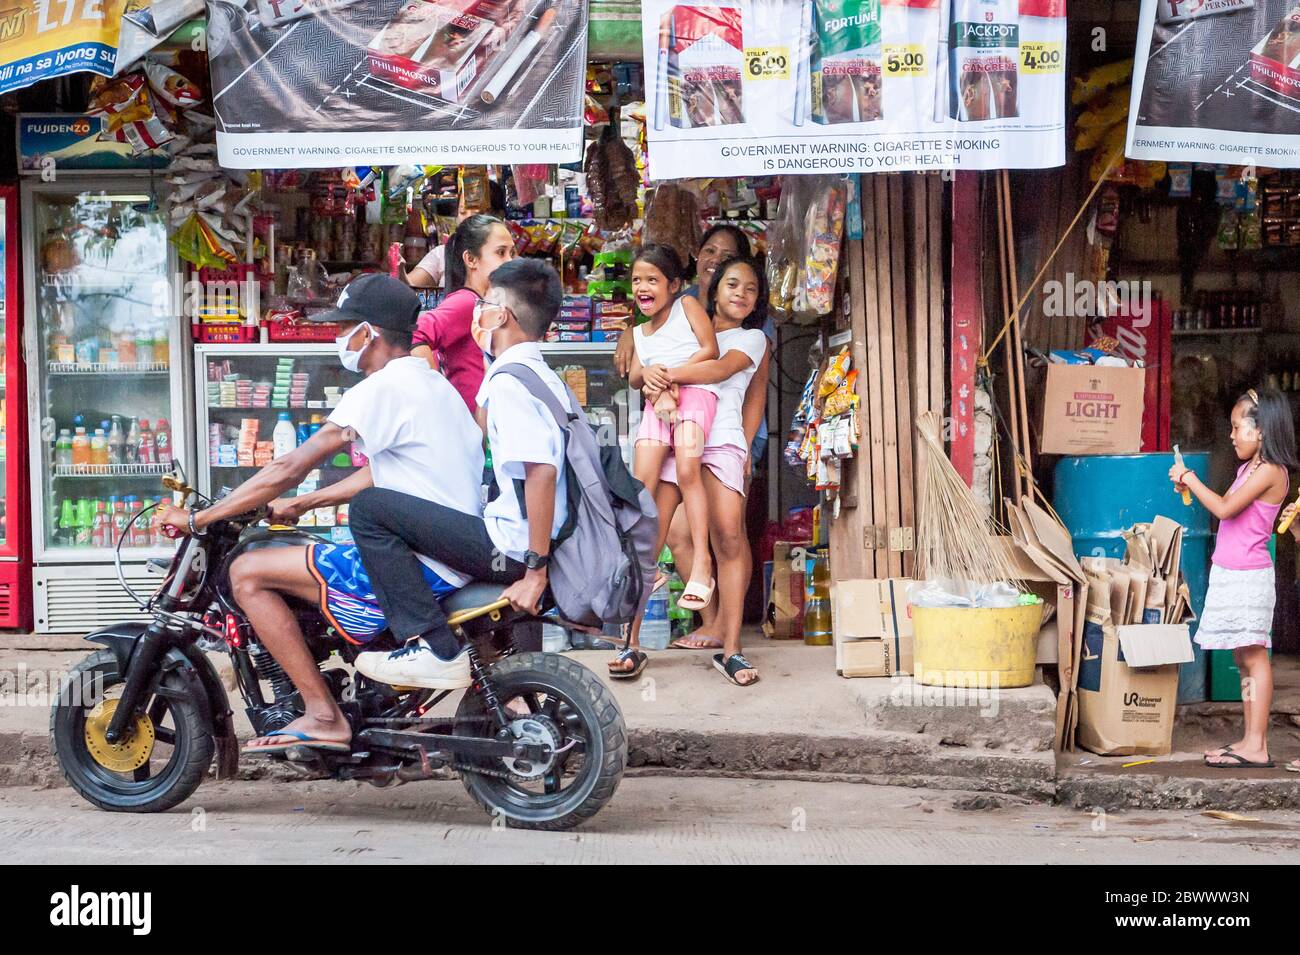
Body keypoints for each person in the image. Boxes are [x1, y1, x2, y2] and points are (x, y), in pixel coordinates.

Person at [154, 274, 485, 753]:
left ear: (369, 332)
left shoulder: (381, 387)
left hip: (420, 563)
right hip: (447, 549)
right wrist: (306, 502)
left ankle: (323, 715)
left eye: (345, 326)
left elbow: (289, 465)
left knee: (248, 573)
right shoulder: (430, 383)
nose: (338, 338)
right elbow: (386, 473)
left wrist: (199, 519)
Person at [348, 258, 569, 689]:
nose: (476, 312)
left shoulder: (510, 381)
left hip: (511, 548)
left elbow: (540, 471)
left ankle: (432, 647)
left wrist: (534, 570)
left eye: (484, 303)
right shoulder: (540, 374)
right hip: (531, 538)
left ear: (500, 315)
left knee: (369, 509)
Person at [617, 255, 769, 685]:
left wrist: (658, 376)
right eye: (732, 285)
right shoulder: (680, 321)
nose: (740, 294)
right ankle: (630, 644)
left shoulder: (752, 339)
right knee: (652, 536)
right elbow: (638, 354)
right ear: (712, 290)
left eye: (751, 289)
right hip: (672, 434)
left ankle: (733, 649)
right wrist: (641, 366)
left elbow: (721, 370)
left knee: (729, 538)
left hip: (720, 442)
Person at [607, 246, 719, 679]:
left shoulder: (688, 306)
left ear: (674, 286)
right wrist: (650, 376)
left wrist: (667, 373)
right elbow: (634, 376)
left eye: (652, 279)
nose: (642, 287)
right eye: (637, 280)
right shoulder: (638, 331)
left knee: (688, 470)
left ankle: (703, 566)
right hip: (659, 405)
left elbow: (708, 350)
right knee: (641, 488)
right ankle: (630, 641)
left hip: (693, 397)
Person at [1171, 388, 1296, 770]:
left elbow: (1225, 509)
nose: (1231, 435)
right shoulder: (1250, 469)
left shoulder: (1272, 471)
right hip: (1232, 573)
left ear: (1261, 431)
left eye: (1237, 427)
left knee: (1255, 657)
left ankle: (1257, 745)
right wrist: (1190, 485)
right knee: (1243, 660)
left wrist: (1190, 479)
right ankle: (1247, 739)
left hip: (1249, 578)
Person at [410, 213, 517, 414]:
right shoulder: (466, 302)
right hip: (470, 427)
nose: (510, 261)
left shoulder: (483, 303)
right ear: (470, 259)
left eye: (512, 252)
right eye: (501, 252)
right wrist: (439, 394)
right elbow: (416, 334)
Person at [613, 223, 749, 377]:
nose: (716, 260)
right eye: (710, 250)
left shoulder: (751, 315)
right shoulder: (678, 300)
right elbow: (652, 328)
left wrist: (668, 378)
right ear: (698, 255)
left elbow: (722, 369)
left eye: (727, 256)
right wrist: (631, 334)